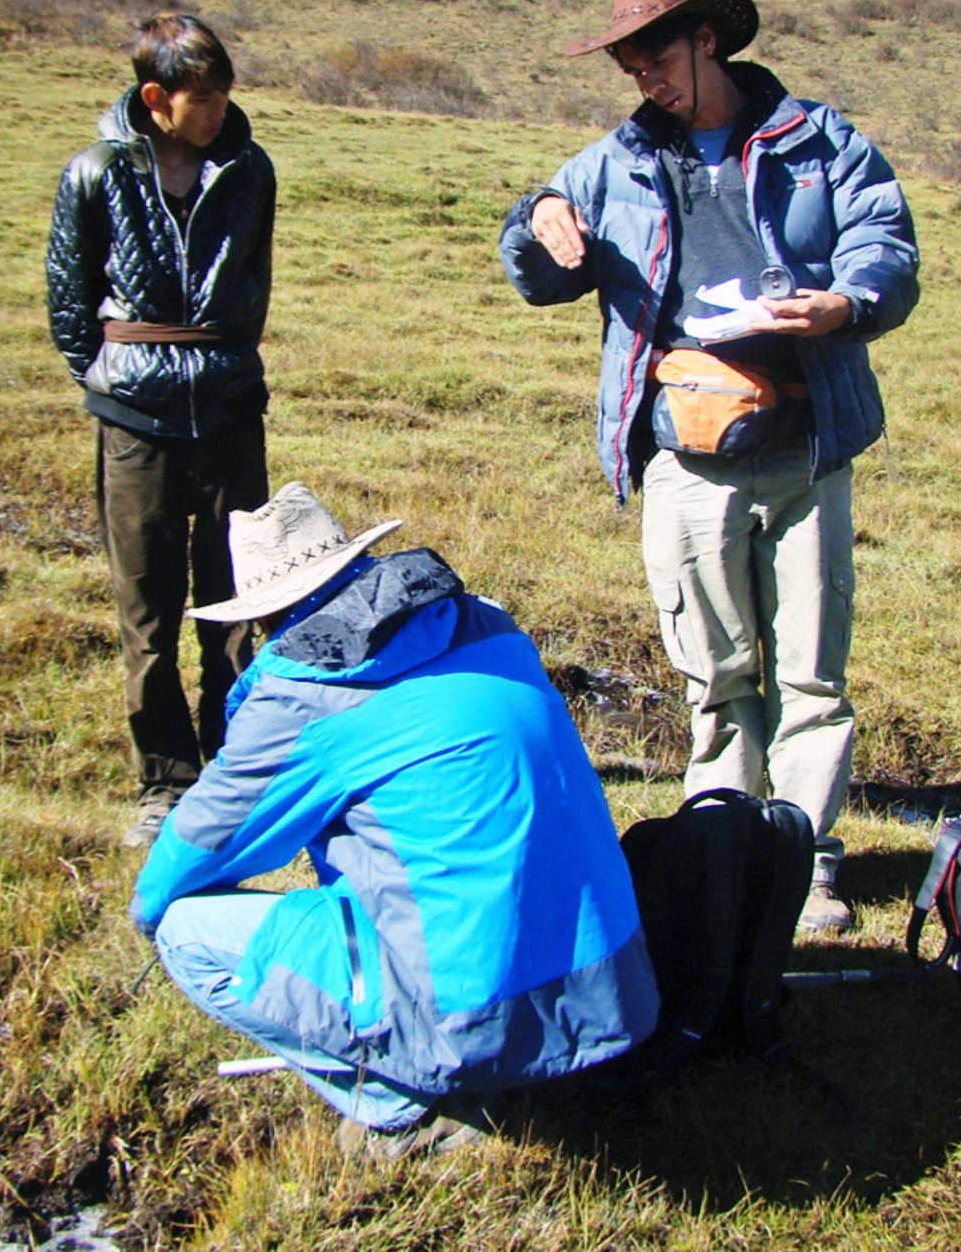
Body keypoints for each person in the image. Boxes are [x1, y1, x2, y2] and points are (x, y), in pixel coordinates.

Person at [498, 0, 919, 933]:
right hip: (685, 458)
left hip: (805, 443)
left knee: (812, 672)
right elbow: (539, 269)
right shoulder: (611, 164)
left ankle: (803, 866)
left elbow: (885, 243)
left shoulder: (819, 142)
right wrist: (535, 220)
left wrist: (845, 300)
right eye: (627, 58)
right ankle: (727, 854)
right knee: (715, 674)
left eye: (655, 51)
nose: (642, 73)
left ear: (706, 37)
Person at [130, 482, 659, 1156]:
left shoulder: (305, 694)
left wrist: (145, 911)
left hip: (476, 1022)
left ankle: (409, 1107)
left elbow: (196, 846)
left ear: (265, 618)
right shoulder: (488, 622)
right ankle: (510, 1063)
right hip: (616, 982)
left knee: (184, 931)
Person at [47, 14, 274, 849]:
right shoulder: (95, 174)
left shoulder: (251, 171)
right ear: (157, 99)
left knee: (240, 599)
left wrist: (218, 371)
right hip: (132, 423)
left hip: (226, 411)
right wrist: (116, 383)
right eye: (203, 99)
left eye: (224, 97)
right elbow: (70, 308)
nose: (218, 113)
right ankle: (165, 779)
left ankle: (239, 756)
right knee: (148, 609)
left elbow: (254, 286)